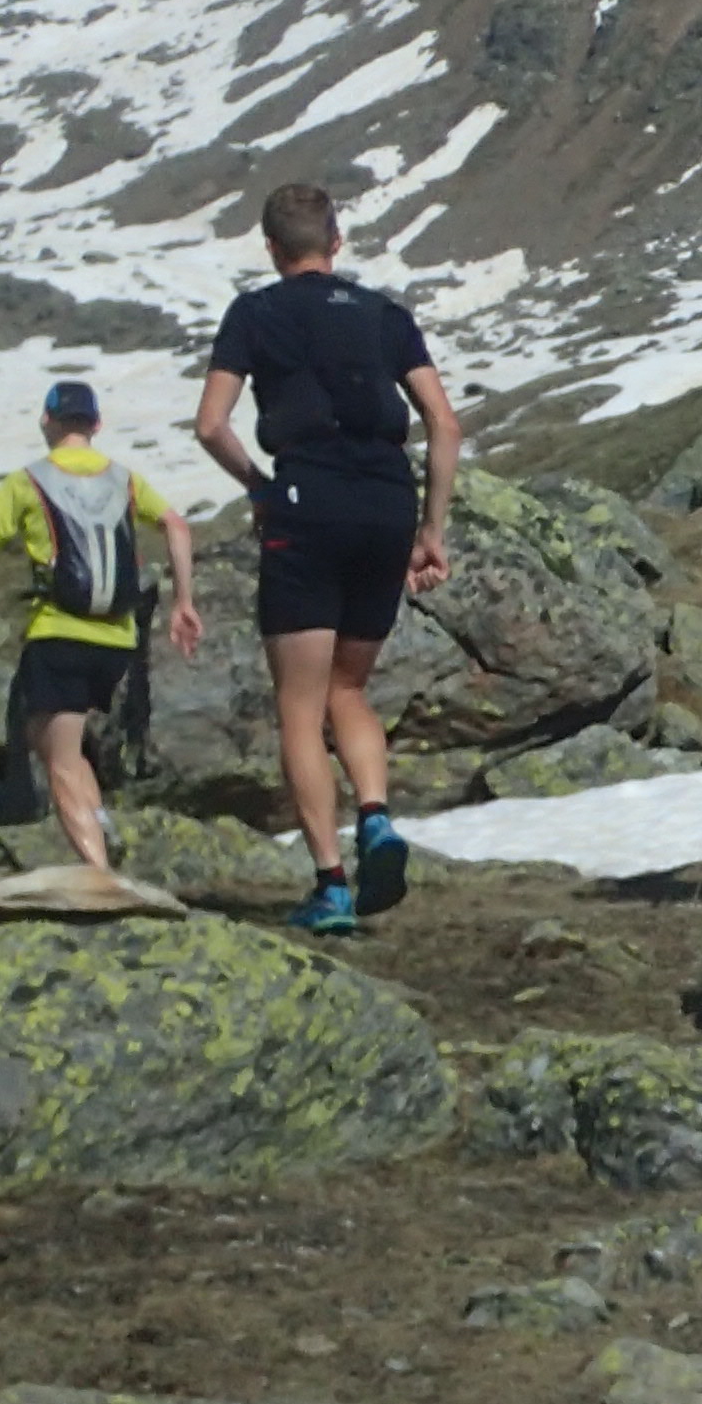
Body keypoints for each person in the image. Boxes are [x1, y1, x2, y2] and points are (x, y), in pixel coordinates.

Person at [195, 180, 460, 936]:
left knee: (301, 706)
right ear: (336, 242)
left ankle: (332, 887)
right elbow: (444, 423)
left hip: (307, 502)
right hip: (387, 503)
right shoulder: (384, 315)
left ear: (272, 249)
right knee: (350, 686)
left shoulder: (255, 313)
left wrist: (258, 486)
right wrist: (431, 529)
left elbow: (211, 424)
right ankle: (376, 817)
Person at [0, 378, 202, 881]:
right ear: (96, 424)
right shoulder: (124, 480)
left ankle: (98, 872)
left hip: (59, 633)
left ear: (47, 420)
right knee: (58, 743)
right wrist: (184, 602)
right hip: (116, 639)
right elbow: (176, 525)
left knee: (59, 760)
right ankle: (100, 824)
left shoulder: (29, 481)